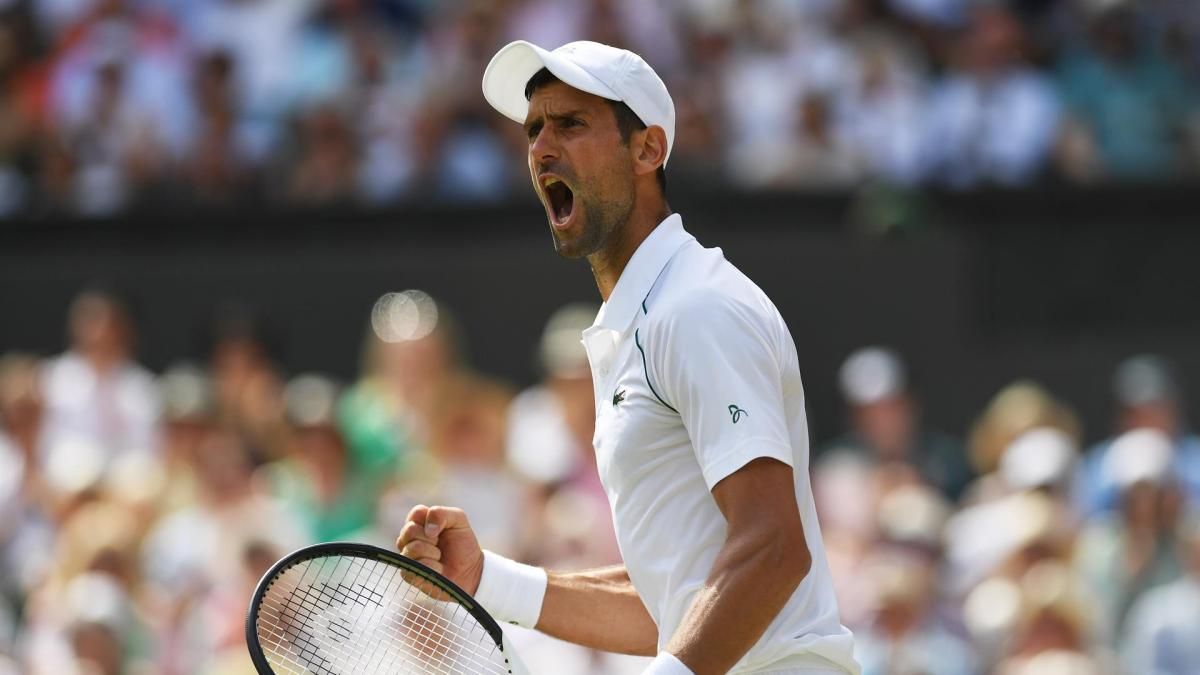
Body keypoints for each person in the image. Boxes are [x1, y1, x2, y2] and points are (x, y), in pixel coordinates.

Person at [397, 40, 858, 675]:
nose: (541, 148)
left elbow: (775, 548)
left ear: (648, 150)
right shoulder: (641, 321)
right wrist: (486, 579)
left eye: (570, 124)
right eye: (533, 130)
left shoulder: (696, 308)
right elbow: (677, 609)